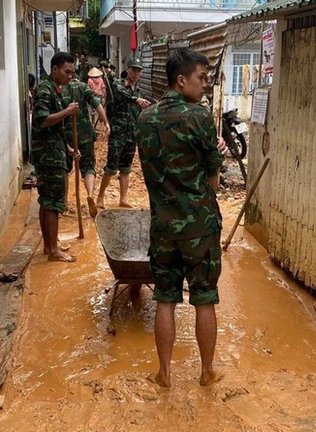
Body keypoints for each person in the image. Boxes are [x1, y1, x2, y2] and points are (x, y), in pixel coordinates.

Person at [136, 48, 228, 388]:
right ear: (181, 80)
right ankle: (206, 373)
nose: (205, 85)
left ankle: (164, 374)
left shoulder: (144, 119)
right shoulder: (199, 117)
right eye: (201, 78)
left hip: (163, 227)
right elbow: (214, 183)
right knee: (204, 298)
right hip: (199, 227)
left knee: (165, 298)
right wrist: (214, 155)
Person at [31, 52, 80, 262]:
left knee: (46, 200)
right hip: (48, 156)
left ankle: (49, 245)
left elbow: (54, 128)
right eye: (67, 72)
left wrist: (67, 147)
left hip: (54, 150)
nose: (70, 77)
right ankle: (53, 251)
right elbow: (41, 120)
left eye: (72, 73)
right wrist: (67, 112)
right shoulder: (45, 89)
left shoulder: (55, 89)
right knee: (53, 202)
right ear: (55, 69)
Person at [96, 57, 151, 209]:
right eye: (133, 70)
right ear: (127, 70)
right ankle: (100, 197)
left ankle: (123, 199)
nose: (135, 73)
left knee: (126, 168)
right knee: (111, 167)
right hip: (118, 132)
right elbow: (120, 95)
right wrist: (136, 100)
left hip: (132, 134)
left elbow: (140, 114)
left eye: (138, 71)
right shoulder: (118, 85)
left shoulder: (140, 92)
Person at [62, 77, 110, 219]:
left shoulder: (60, 89)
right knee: (89, 167)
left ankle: (64, 202)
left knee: (65, 168)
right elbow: (97, 104)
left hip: (66, 133)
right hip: (85, 134)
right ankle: (90, 194)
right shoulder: (84, 87)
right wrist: (106, 122)